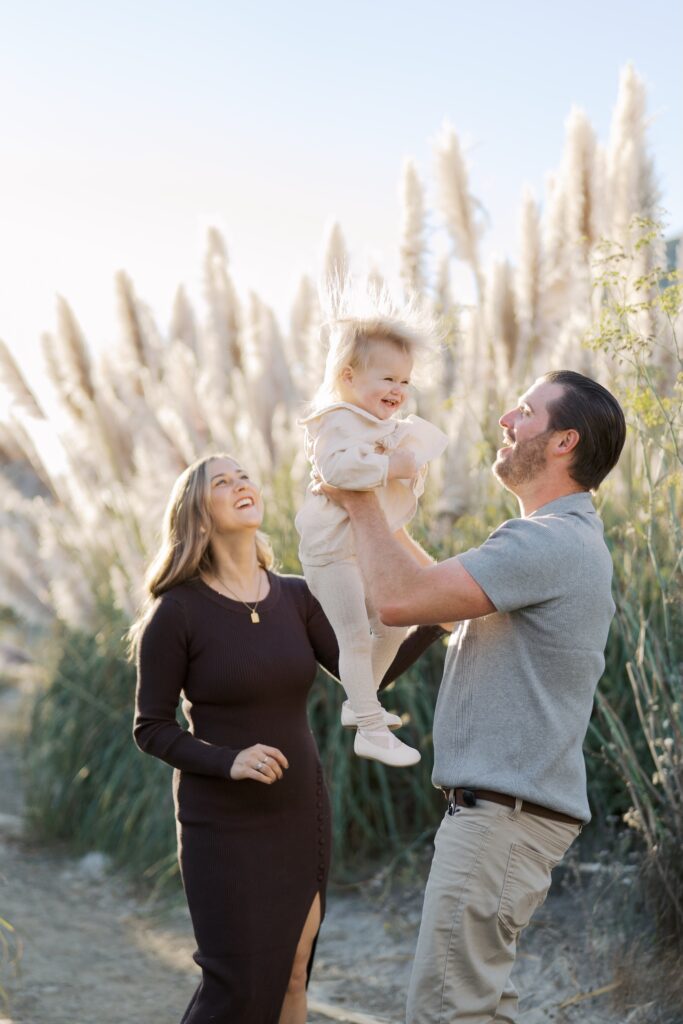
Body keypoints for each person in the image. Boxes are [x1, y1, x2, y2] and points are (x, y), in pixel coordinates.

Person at [319, 370, 626, 1022]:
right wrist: (372, 502)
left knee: (446, 1013)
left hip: (501, 821)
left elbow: (401, 599)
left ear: (564, 440)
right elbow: (435, 593)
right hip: (506, 819)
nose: (504, 422)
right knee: (475, 1009)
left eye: (524, 412)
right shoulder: (558, 543)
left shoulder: (547, 541)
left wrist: (360, 500)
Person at [130, 452, 445, 1024]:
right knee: (237, 986)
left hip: (300, 811)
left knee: (294, 974)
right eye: (221, 482)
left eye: (243, 475)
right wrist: (229, 761)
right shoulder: (175, 613)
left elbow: (363, 679)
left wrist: (431, 626)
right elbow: (150, 728)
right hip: (221, 820)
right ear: (196, 514)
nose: (240, 484)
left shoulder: (297, 597)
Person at [295, 314, 447, 767]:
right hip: (330, 553)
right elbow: (336, 472)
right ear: (347, 376)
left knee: (396, 623)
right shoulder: (336, 421)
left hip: (358, 549)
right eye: (387, 378)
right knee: (355, 636)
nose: (398, 390)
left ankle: (361, 701)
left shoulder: (374, 423)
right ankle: (370, 730)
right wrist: (392, 466)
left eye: (405, 380)